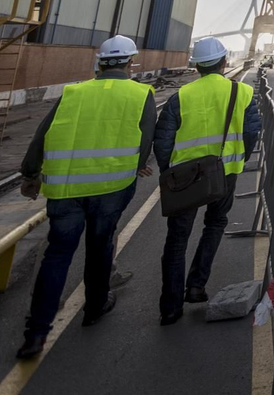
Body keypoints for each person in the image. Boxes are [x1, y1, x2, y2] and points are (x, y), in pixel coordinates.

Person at [16, 35, 155, 359]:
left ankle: (35, 334)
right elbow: (145, 141)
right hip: (111, 189)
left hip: (65, 190)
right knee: (100, 246)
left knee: (57, 255)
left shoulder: (73, 92)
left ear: (100, 62)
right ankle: (94, 307)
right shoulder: (140, 94)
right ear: (130, 63)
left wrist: (30, 174)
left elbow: (42, 135)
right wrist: (135, 166)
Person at [153, 36, 259, 324]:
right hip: (224, 173)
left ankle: (170, 307)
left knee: (177, 240)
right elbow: (251, 134)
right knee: (215, 223)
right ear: (225, 63)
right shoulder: (243, 92)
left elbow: (162, 142)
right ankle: (197, 286)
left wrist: (169, 172)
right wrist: (238, 159)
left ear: (197, 66)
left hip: (185, 179)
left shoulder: (181, 97)